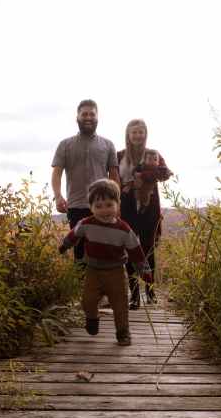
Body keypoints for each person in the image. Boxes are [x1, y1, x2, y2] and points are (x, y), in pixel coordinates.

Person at [58, 179, 152, 346]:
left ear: (117, 204)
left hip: (116, 272)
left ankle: (123, 333)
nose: (104, 210)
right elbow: (74, 235)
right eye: (98, 206)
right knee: (88, 300)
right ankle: (92, 318)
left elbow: (136, 252)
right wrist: (65, 245)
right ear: (91, 207)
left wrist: (144, 272)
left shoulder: (124, 230)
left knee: (120, 304)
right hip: (93, 271)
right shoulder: (86, 224)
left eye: (109, 205)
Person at [51, 99, 119, 265]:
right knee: (80, 252)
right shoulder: (65, 145)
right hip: (76, 206)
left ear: (97, 117)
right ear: (77, 117)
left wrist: (117, 203)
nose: (88, 117)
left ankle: (102, 289)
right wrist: (58, 196)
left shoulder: (108, 145)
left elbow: (114, 176)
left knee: (104, 250)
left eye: (92, 114)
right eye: (84, 114)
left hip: (104, 206)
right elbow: (57, 173)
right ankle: (82, 289)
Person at [117, 119, 172, 310]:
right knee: (131, 249)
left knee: (148, 250)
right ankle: (133, 294)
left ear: (145, 134)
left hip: (149, 207)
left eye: (141, 132)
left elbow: (165, 174)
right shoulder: (120, 156)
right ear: (128, 135)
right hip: (127, 207)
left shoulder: (154, 155)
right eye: (134, 132)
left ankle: (150, 292)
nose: (138, 135)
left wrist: (143, 176)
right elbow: (114, 181)